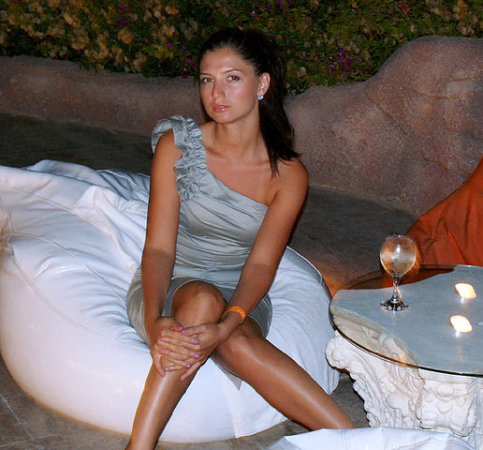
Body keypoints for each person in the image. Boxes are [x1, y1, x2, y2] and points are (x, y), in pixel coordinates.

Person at [125, 28, 354, 449]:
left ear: (262, 84)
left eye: (232, 78)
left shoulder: (288, 175)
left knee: (237, 340)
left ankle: (362, 441)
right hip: (173, 285)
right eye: (207, 79)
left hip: (241, 293)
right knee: (201, 301)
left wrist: (227, 324)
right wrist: (155, 320)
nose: (216, 93)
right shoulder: (178, 147)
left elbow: (262, 264)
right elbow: (158, 248)